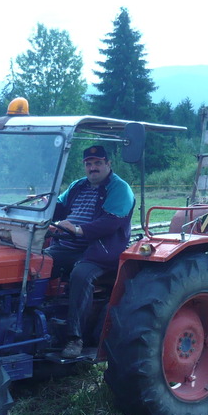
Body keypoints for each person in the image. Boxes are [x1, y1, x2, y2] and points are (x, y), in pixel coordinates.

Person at [46, 145, 135, 358]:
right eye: (89, 164)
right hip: (67, 246)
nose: (93, 168)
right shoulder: (78, 186)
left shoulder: (119, 188)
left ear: (108, 164)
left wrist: (77, 229)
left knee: (80, 274)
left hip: (100, 251)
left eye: (97, 163)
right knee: (38, 263)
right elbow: (58, 206)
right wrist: (43, 206)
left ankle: (74, 338)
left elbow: (110, 223)